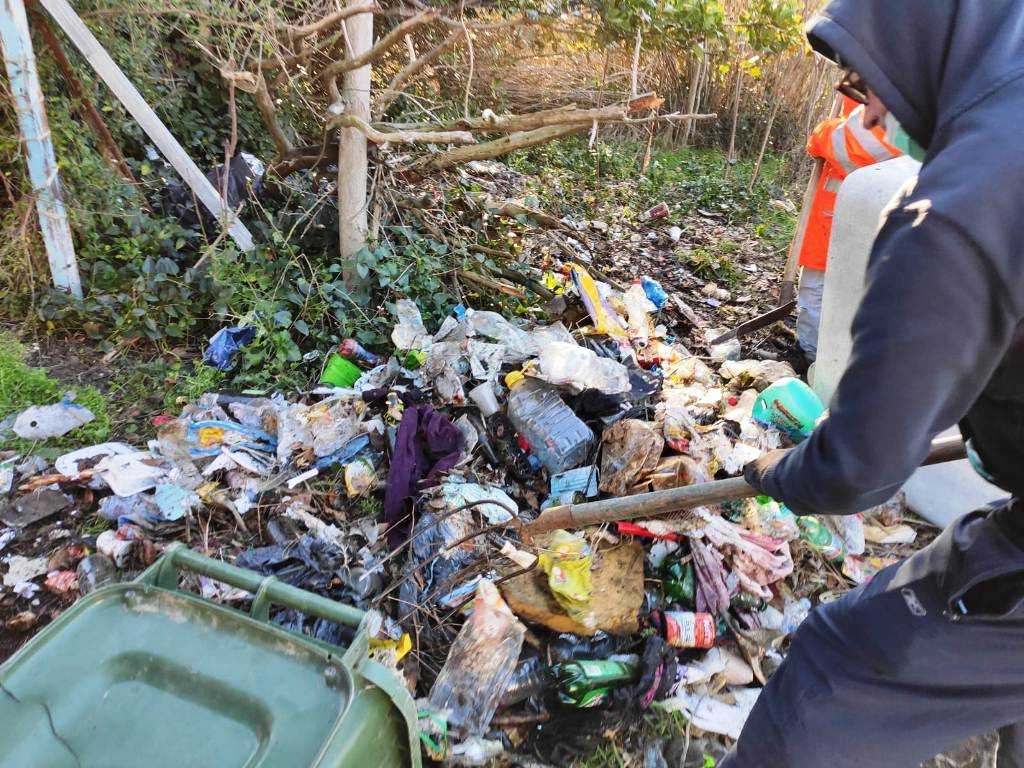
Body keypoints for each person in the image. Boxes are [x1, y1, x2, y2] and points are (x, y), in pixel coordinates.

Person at [724, 1, 1024, 766]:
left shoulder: (958, 207)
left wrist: (776, 472)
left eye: (865, 84)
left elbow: (858, 468)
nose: (872, 115)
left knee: (834, 673)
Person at [795, 95, 901, 362]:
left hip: (853, 222)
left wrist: (822, 133)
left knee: (831, 295)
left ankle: (819, 362)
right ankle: (816, 356)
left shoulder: (897, 91)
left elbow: (854, 148)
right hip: (840, 218)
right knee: (825, 294)